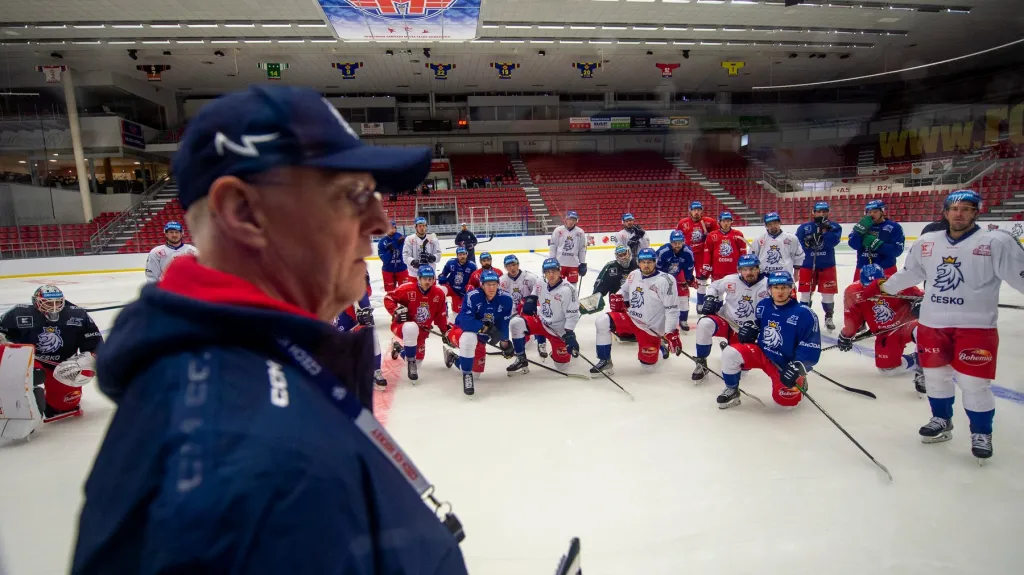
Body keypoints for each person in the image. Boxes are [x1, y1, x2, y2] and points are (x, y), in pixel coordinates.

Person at [71, 86, 468, 574]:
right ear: (244, 213)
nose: (381, 223)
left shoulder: (260, 372)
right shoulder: (237, 465)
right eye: (354, 194)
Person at [862, 190, 1024, 460]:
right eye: (954, 208)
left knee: (974, 383)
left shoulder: (996, 242)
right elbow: (911, 273)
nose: (959, 213)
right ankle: (941, 419)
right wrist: (883, 286)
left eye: (967, 208)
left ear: (976, 212)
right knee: (936, 377)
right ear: (945, 212)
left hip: (976, 327)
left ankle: (981, 432)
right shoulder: (928, 242)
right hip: (933, 322)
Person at [0, 285, 102, 439]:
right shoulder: (18, 313)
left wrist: (85, 362)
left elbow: (96, 344)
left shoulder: (78, 315)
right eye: (48, 303)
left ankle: (52, 402)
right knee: (24, 371)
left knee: (63, 406)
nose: (53, 307)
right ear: (36, 302)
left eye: (57, 302)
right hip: (29, 362)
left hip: (63, 366)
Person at [717, 271, 821, 410]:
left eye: (784, 287)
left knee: (786, 405)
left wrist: (798, 366)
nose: (780, 291)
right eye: (776, 287)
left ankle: (800, 380)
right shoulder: (764, 305)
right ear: (769, 289)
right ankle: (732, 389)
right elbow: (759, 323)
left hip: (784, 364)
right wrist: (751, 328)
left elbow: (810, 345)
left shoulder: (804, 313)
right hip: (762, 352)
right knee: (730, 353)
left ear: (791, 288)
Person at [591, 248, 682, 375]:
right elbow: (624, 290)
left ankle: (660, 347)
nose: (646, 265)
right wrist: (617, 297)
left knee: (648, 368)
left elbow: (672, 310)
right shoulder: (634, 274)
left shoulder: (666, 280)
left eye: (649, 262)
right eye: (643, 262)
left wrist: (670, 332)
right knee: (602, 321)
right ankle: (605, 360)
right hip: (631, 318)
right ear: (638, 262)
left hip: (650, 328)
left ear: (655, 262)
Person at [839, 264, 924, 394]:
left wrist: (920, 304)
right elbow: (852, 318)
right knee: (888, 371)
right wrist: (846, 335)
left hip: (907, 323)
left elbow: (922, 297)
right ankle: (913, 358)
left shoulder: (898, 283)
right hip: (886, 333)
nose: (874, 293)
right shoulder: (853, 292)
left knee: (922, 332)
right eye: (868, 286)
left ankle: (922, 371)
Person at [691, 254, 768, 383]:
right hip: (726, 321)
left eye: (752, 268)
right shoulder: (731, 280)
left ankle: (729, 348)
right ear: (739, 270)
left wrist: (758, 327)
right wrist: (710, 298)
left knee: (742, 371)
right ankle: (701, 362)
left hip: (749, 330)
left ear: (758, 269)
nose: (749, 272)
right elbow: (714, 286)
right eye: (745, 269)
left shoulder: (768, 285)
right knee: (704, 323)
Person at [442, 270, 514, 396]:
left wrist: (505, 342)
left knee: (476, 374)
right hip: (462, 331)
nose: (491, 288)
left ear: (498, 284)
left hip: (481, 338)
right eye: (488, 284)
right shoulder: (473, 296)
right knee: (469, 338)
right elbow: (464, 320)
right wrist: (484, 327)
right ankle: (466, 374)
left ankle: (453, 357)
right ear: (481, 285)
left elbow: (504, 322)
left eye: (494, 284)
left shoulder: (506, 299)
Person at [507, 258, 581, 375]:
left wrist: (570, 333)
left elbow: (573, 314)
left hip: (557, 330)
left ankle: (557, 353)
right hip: (541, 322)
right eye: (548, 272)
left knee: (562, 367)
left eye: (554, 271)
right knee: (516, 323)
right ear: (544, 273)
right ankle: (521, 359)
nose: (551, 275)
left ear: (559, 271)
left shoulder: (568, 290)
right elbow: (535, 292)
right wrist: (531, 299)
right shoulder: (541, 281)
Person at [383, 265, 450, 382]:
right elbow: (388, 298)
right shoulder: (407, 288)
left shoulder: (438, 294)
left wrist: (445, 330)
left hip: (422, 332)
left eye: (430, 279)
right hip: (402, 326)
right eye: (425, 279)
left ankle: (399, 349)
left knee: (418, 362)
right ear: (418, 278)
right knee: (411, 327)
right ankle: (410, 359)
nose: (428, 282)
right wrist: (395, 311)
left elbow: (441, 315)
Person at [795, 201, 843, 331]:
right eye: (819, 211)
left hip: (827, 265)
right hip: (807, 265)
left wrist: (825, 231)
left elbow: (833, 242)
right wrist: (807, 242)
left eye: (824, 211)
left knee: (828, 294)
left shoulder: (834, 226)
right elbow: (797, 244)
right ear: (813, 212)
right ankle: (805, 317)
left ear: (828, 212)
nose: (821, 214)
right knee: (805, 294)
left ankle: (829, 317)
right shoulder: (804, 227)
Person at [335, 279, 388, 389]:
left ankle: (375, 371)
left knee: (372, 336)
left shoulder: (360, 292)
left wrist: (365, 320)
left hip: (352, 325)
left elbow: (367, 322)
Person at [499, 254, 547, 357]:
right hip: (513, 313)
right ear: (505, 267)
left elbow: (541, 292)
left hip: (528, 311)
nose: (512, 268)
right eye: (509, 266)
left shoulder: (530, 277)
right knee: (523, 341)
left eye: (514, 264)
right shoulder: (501, 281)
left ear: (518, 264)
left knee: (540, 318)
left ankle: (541, 343)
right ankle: (531, 337)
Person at [848, 199, 905, 282]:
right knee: (860, 294)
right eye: (869, 212)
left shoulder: (894, 227)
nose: (871, 214)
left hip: (886, 268)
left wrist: (877, 244)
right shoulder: (861, 225)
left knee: (886, 294)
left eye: (875, 212)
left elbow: (897, 251)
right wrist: (858, 233)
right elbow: (854, 245)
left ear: (882, 212)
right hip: (863, 268)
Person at [675, 201, 719, 307]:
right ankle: (682, 303)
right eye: (694, 210)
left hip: (702, 254)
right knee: (682, 279)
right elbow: (676, 236)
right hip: (687, 254)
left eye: (699, 210)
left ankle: (700, 303)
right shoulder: (683, 223)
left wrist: (709, 236)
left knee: (702, 278)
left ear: (702, 211)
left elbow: (718, 236)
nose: (696, 212)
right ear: (690, 211)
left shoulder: (710, 222)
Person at [655, 230, 696, 331]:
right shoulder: (663, 251)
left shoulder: (688, 252)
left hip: (679, 273)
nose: (677, 245)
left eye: (679, 242)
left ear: (683, 242)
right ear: (670, 242)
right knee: (661, 298)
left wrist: (689, 279)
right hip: (663, 275)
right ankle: (661, 319)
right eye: (674, 243)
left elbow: (689, 267)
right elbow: (656, 268)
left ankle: (683, 320)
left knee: (683, 296)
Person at [751, 212, 804, 280]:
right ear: (766, 225)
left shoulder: (791, 238)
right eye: (770, 224)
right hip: (764, 275)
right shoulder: (758, 240)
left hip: (785, 275)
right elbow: (753, 258)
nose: (773, 226)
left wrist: (796, 274)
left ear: (779, 223)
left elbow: (799, 256)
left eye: (775, 223)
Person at [702, 211, 747, 282]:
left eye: (728, 221)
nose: (726, 223)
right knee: (715, 293)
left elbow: (743, 253)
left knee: (734, 292)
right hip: (717, 271)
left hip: (733, 271)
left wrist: (743, 266)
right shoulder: (712, 235)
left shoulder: (738, 234)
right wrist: (706, 267)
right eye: (723, 221)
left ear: (731, 222)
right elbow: (708, 253)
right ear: (719, 222)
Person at [549, 211, 588, 285]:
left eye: (574, 220)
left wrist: (582, 263)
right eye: (570, 219)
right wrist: (551, 260)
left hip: (573, 264)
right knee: (558, 285)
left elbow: (582, 249)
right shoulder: (558, 230)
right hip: (559, 264)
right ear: (566, 219)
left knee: (572, 287)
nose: (571, 221)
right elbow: (553, 246)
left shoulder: (580, 232)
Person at [438, 247, 477, 316]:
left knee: (457, 312)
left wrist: (467, 290)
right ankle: (443, 307)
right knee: (440, 290)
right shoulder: (451, 263)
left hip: (462, 291)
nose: (462, 256)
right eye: (460, 254)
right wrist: (442, 278)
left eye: (464, 254)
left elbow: (475, 281)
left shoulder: (472, 266)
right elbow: (443, 274)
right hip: (451, 288)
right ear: (457, 255)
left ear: (466, 254)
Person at [403, 216, 443, 280]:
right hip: (414, 274)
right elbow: (405, 256)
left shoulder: (433, 238)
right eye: (420, 226)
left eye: (424, 226)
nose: (422, 228)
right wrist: (413, 262)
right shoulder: (409, 239)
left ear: (426, 226)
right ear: (416, 227)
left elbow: (438, 255)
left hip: (429, 273)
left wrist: (433, 257)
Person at [377, 220, 408, 293]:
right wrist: (390, 251)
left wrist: (397, 244)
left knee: (404, 291)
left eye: (393, 228)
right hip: (388, 270)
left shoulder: (401, 238)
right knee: (390, 293)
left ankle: (403, 304)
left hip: (402, 268)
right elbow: (385, 260)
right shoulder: (382, 242)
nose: (391, 230)